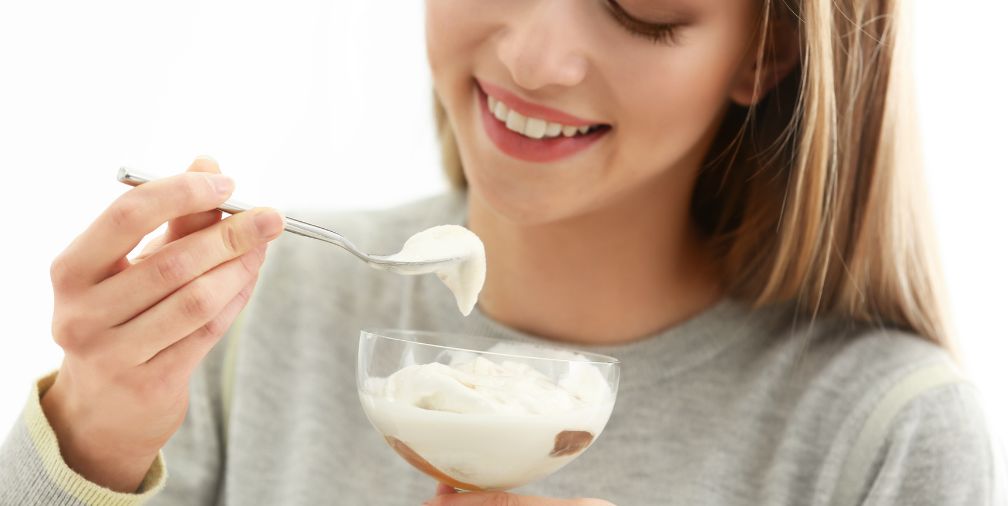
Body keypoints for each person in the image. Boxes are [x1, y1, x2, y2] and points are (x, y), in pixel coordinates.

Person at [1, 0, 1004, 504]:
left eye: (639, 9)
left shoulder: (880, 433)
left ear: (765, 54)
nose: (534, 58)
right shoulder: (252, 309)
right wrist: (92, 433)